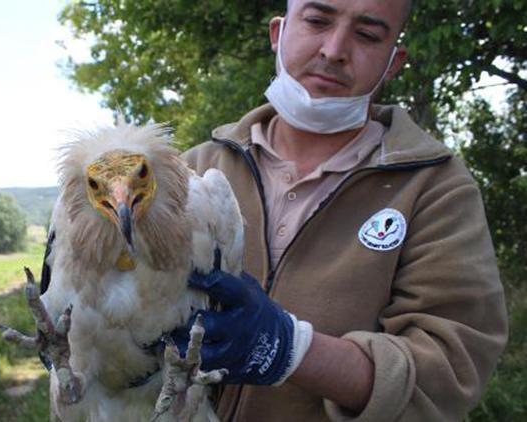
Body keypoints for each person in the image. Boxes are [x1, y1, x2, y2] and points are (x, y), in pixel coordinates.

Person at [174, 0, 509, 420]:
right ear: (278, 34)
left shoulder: (436, 187)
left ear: (392, 63)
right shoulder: (190, 170)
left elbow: (451, 371)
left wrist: (288, 349)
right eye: (316, 20)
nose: (334, 49)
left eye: (367, 34)